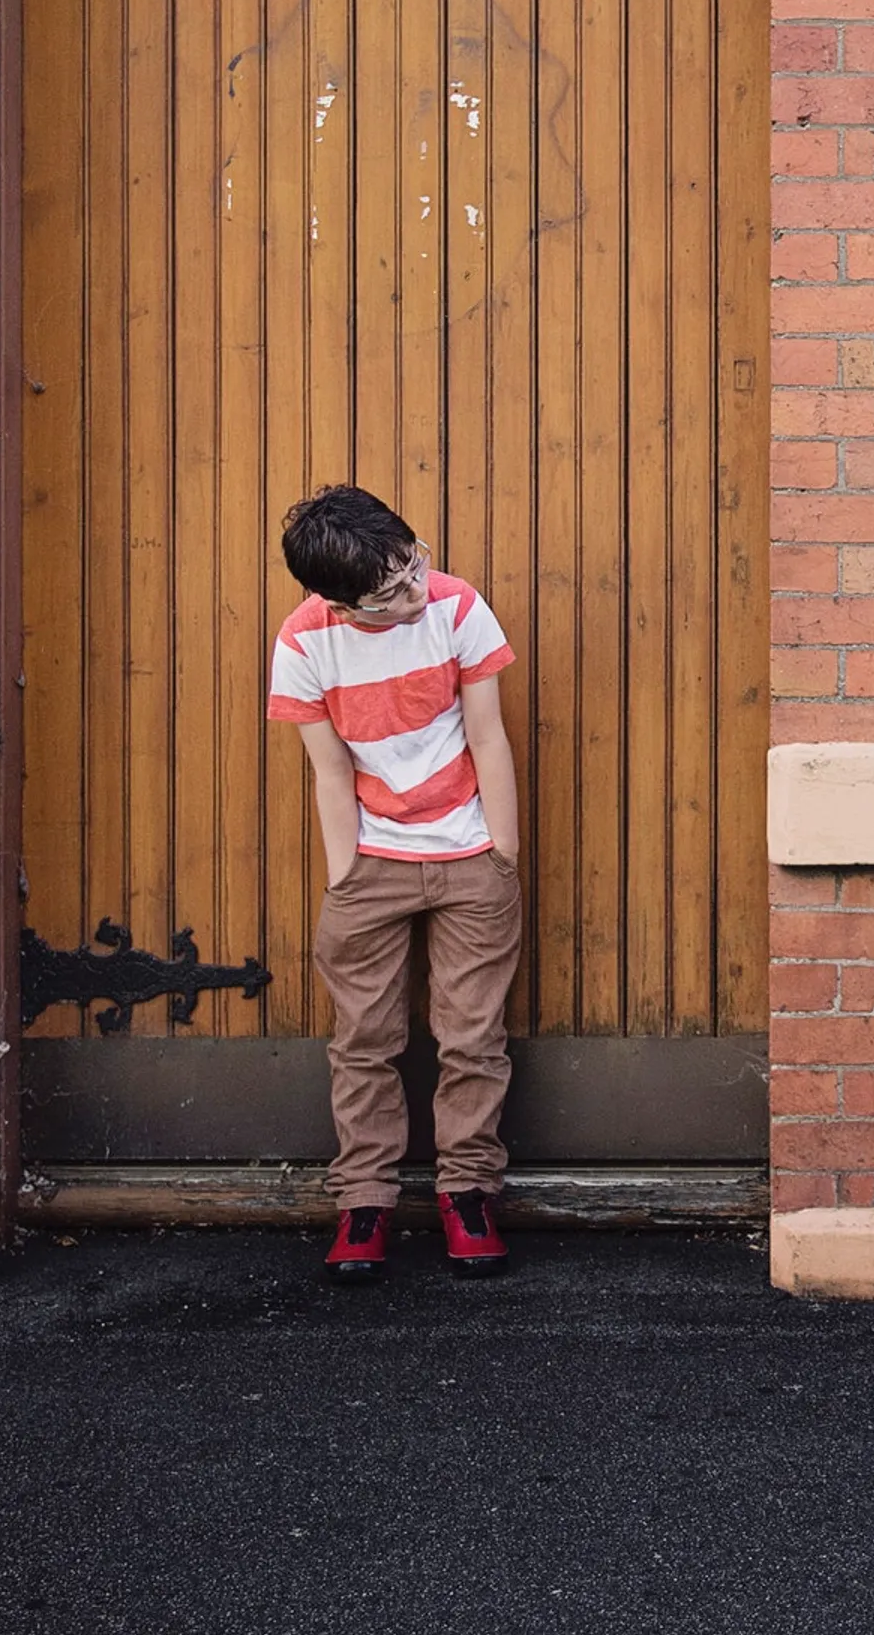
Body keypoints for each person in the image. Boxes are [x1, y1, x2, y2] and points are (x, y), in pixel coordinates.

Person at [267, 484, 526, 1283]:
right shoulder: (306, 643)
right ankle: (365, 1201)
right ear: (338, 605)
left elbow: (487, 732)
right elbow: (330, 770)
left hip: (470, 855)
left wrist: (502, 853)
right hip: (371, 866)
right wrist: (345, 877)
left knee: (474, 1039)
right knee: (364, 1044)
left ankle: (469, 1194)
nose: (415, 590)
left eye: (412, 564)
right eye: (390, 591)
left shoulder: (456, 605)